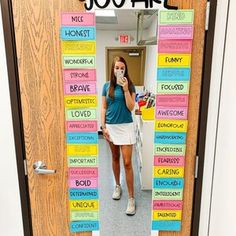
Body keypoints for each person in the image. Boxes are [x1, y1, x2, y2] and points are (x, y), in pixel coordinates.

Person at [101, 56, 136, 215]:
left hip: (126, 126)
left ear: (125, 69)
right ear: (112, 69)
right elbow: (103, 107)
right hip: (111, 127)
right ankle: (117, 186)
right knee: (115, 157)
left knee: (127, 162)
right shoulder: (106, 86)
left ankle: (131, 198)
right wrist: (103, 127)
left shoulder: (130, 85)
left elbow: (130, 107)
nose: (119, 70)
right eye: (116, 68)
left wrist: (126, 89)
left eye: (122, 68)